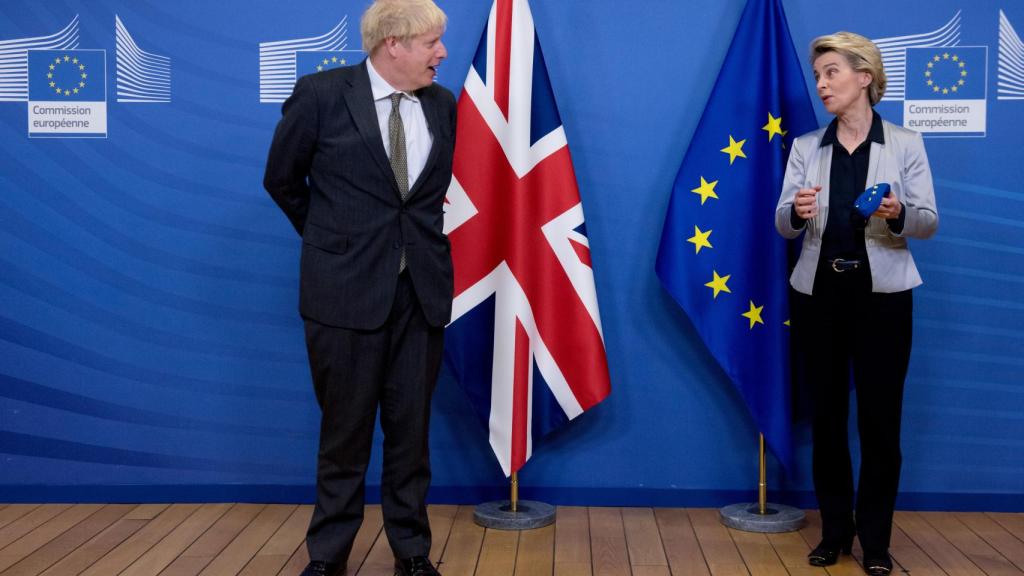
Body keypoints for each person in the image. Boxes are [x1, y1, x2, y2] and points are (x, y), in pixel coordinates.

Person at [263, 0, 455, 574]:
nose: (441, 53)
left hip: (419, 295)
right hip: (342, 294)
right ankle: (328, 558)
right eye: (431, 43)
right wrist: (336, 242)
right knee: (342, 436)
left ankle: (412, 554)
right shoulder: (321, 95)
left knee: (410, 437)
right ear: (393, 43)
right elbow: (282, 180)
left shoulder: (443, 106)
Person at [776, 31, 938, 576]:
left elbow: (929, 222)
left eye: (831, 73)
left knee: (880, 423)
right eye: (818, 75)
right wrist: (796, 212)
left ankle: (875, 543)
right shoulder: (804, 147)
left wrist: (897, 214)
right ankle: (834, 535)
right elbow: (782, 223)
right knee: (826, 421)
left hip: (883, 300)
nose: (821, 84)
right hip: (817, 296)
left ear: (864, 78)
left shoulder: (907, 143)